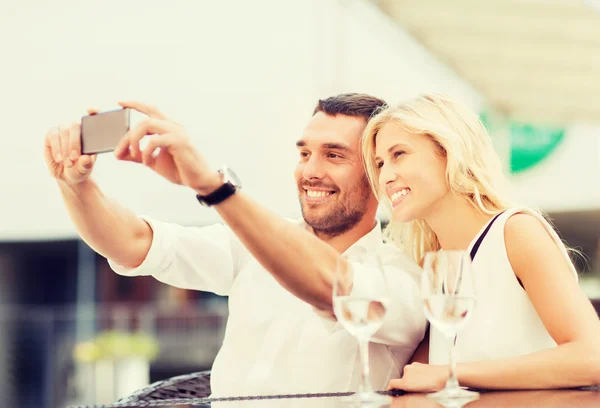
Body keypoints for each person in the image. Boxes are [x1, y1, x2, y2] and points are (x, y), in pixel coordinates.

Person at [44, 94, 427, 397]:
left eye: (333, 155)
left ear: (378, 173)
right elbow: (133, 243)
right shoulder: (248, 244)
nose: (311, 171)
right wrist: (75, 185)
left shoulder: (402, 278)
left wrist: (212, 186)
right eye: (304, 153)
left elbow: (331, 286)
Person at [357, 93, 600, 391]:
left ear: (448, 152)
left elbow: (593, 357)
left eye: (399, 154)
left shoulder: (516, 232)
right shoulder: (431, 263)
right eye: (380, 164)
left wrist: (453, 374)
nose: (385, 177)